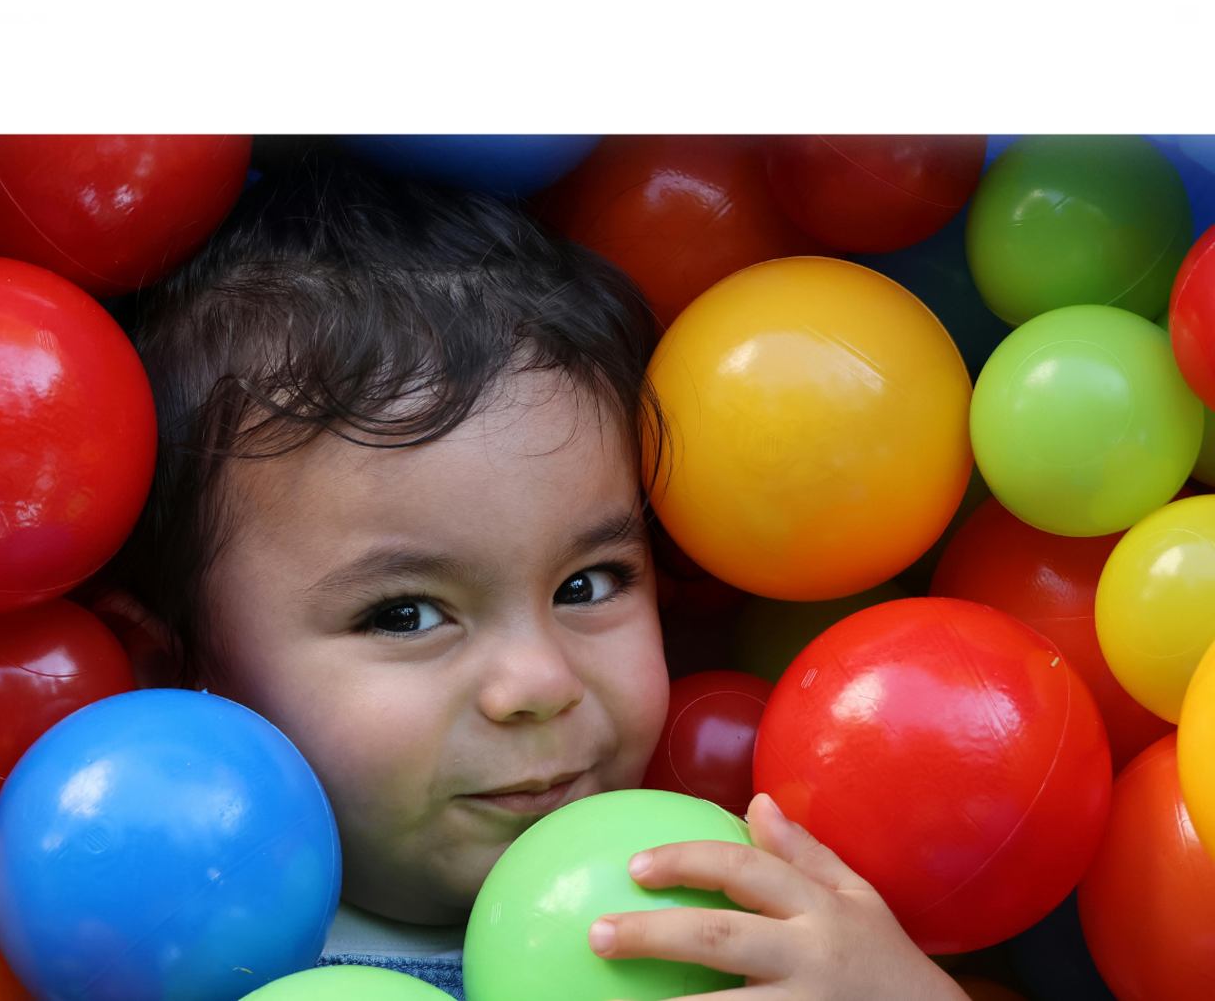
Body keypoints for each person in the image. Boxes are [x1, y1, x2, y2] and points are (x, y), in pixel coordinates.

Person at [96, 154, 970, 1001]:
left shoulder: (756, 925)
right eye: (405, 613)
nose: (540, 683)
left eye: (587, 584)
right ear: (174, 669)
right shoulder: (154, 960)